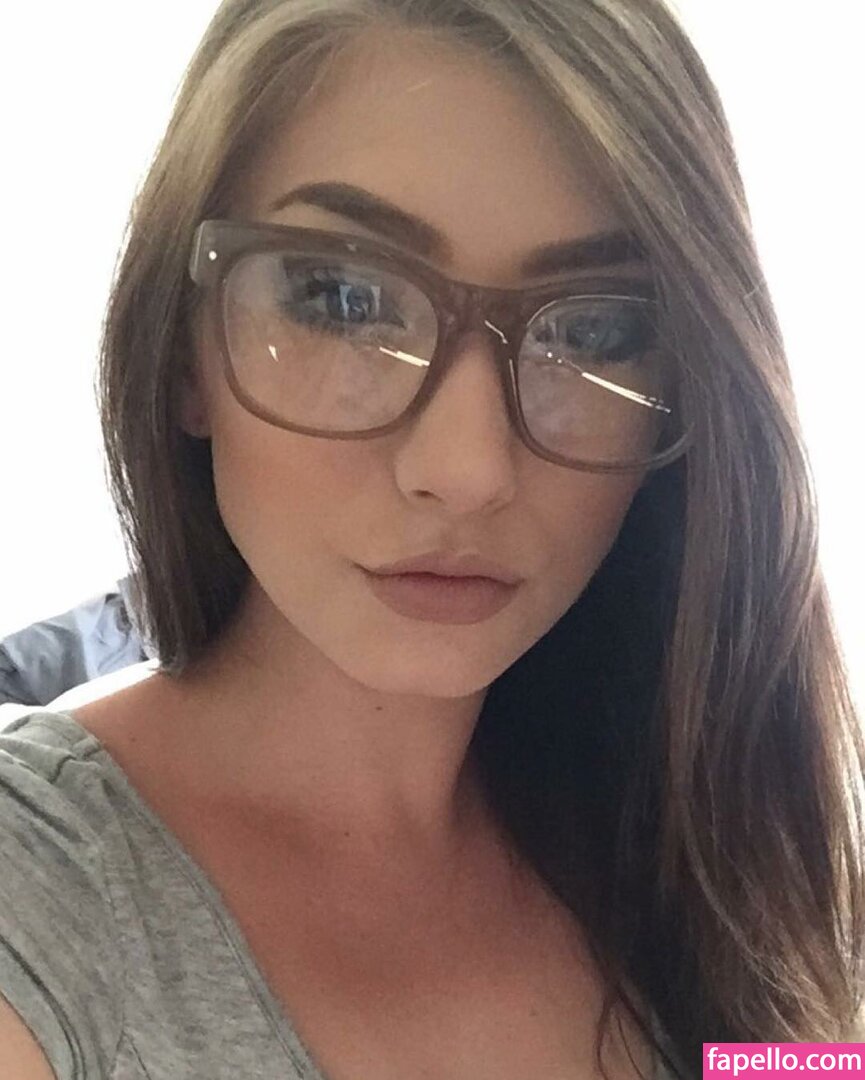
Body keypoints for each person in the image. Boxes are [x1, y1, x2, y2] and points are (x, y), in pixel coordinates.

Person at [1, 0, 863, 1077]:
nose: (468, 469)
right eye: (343, 299)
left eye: (594, 328)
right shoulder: (38, 910)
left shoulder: (725, 851)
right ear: (183, 352)